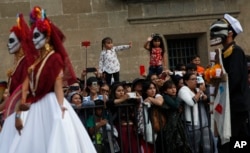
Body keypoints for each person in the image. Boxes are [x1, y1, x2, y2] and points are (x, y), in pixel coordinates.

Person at [9, 9, 96, 153]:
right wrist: (18, 113)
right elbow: (24, 90)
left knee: (56, 139)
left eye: (37, 36)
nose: (34, 40)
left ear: (47, 37)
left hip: (51, 103)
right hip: (35, 106)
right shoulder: (35, 63)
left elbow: (57, 86)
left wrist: (60, 105)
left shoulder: (54, 58)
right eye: (33, 36)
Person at [210, 13, 250, 152]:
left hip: (236, 107)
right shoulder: (222, 54)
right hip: (227, 106)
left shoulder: (236, 52)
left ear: (230, 33)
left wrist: (220, 81)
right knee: (226, 143)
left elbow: (234, 79)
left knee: (239, 143)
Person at [0, 13, 37, 153]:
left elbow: (24, 92)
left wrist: (17, 116)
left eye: (11, 41)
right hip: (14, 113)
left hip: (23, 114)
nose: (7, 45)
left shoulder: (27, 61)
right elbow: (10, 98)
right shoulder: (18, 64)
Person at [178, 72, 213, 153]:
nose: (195, 81)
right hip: (193, 124)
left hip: (204, 123)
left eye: (196, 79)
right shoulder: (183, 90)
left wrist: (204, 97)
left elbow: (204, 98)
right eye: (193, 79)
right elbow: (191, 102)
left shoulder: (196, 89)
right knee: (194, 148)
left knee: (207, 147)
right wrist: (200, 91)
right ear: (186, 81)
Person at [159, 80, 192, 153]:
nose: (173, 89)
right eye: (170, 88)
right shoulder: (166, 97)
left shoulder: (174, 98)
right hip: (170, 126)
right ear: (165, 91)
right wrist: (179, 99)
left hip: (177, 125)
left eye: (174, 87)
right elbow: (175, 106)